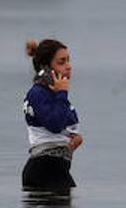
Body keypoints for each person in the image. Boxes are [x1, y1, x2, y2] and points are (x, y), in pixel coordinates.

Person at [21, 38, 83, 193]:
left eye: (68, 61)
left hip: (55, 168)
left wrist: (75, 139)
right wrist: (62, 93)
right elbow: (54, 124)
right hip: (44, 169)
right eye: (62, 62)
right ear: (46, 68)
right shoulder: (38, 93)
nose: (69, 67)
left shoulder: (53, 94)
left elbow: (62, 125)